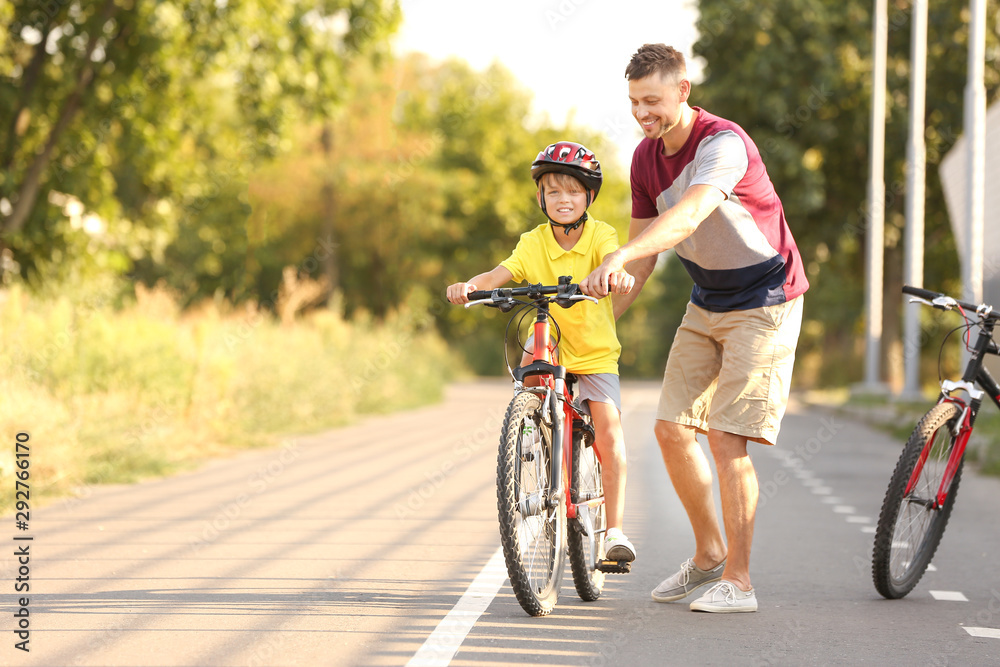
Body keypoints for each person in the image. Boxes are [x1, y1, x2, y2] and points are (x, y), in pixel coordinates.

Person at [581, 44, 809, 613]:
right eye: (634, 102)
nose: (642, 113)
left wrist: (620, 253)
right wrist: (596, 327)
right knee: (671, 428)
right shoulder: (643, 159)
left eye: (652, 100)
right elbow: (643, 260)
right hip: (706, 299)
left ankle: (740, 581)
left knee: (726, 437)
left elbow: (688, 215)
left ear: (683, 90)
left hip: (765, 298)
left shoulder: (723, 143)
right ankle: (708, 555)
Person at [447, 141, 637, 562]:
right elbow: (500, 274)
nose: (563, 200)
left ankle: (615, 532)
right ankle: (530, 423)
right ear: (541, 198)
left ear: (588, 197)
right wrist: (470, 287)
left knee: (608, 429)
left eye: (572, 191)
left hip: (594, 354)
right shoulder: (532, 242)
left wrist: (615, 274)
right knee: (532, 352)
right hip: (552, 348)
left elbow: (612, 261)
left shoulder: (600, 234)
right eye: (553, 192)